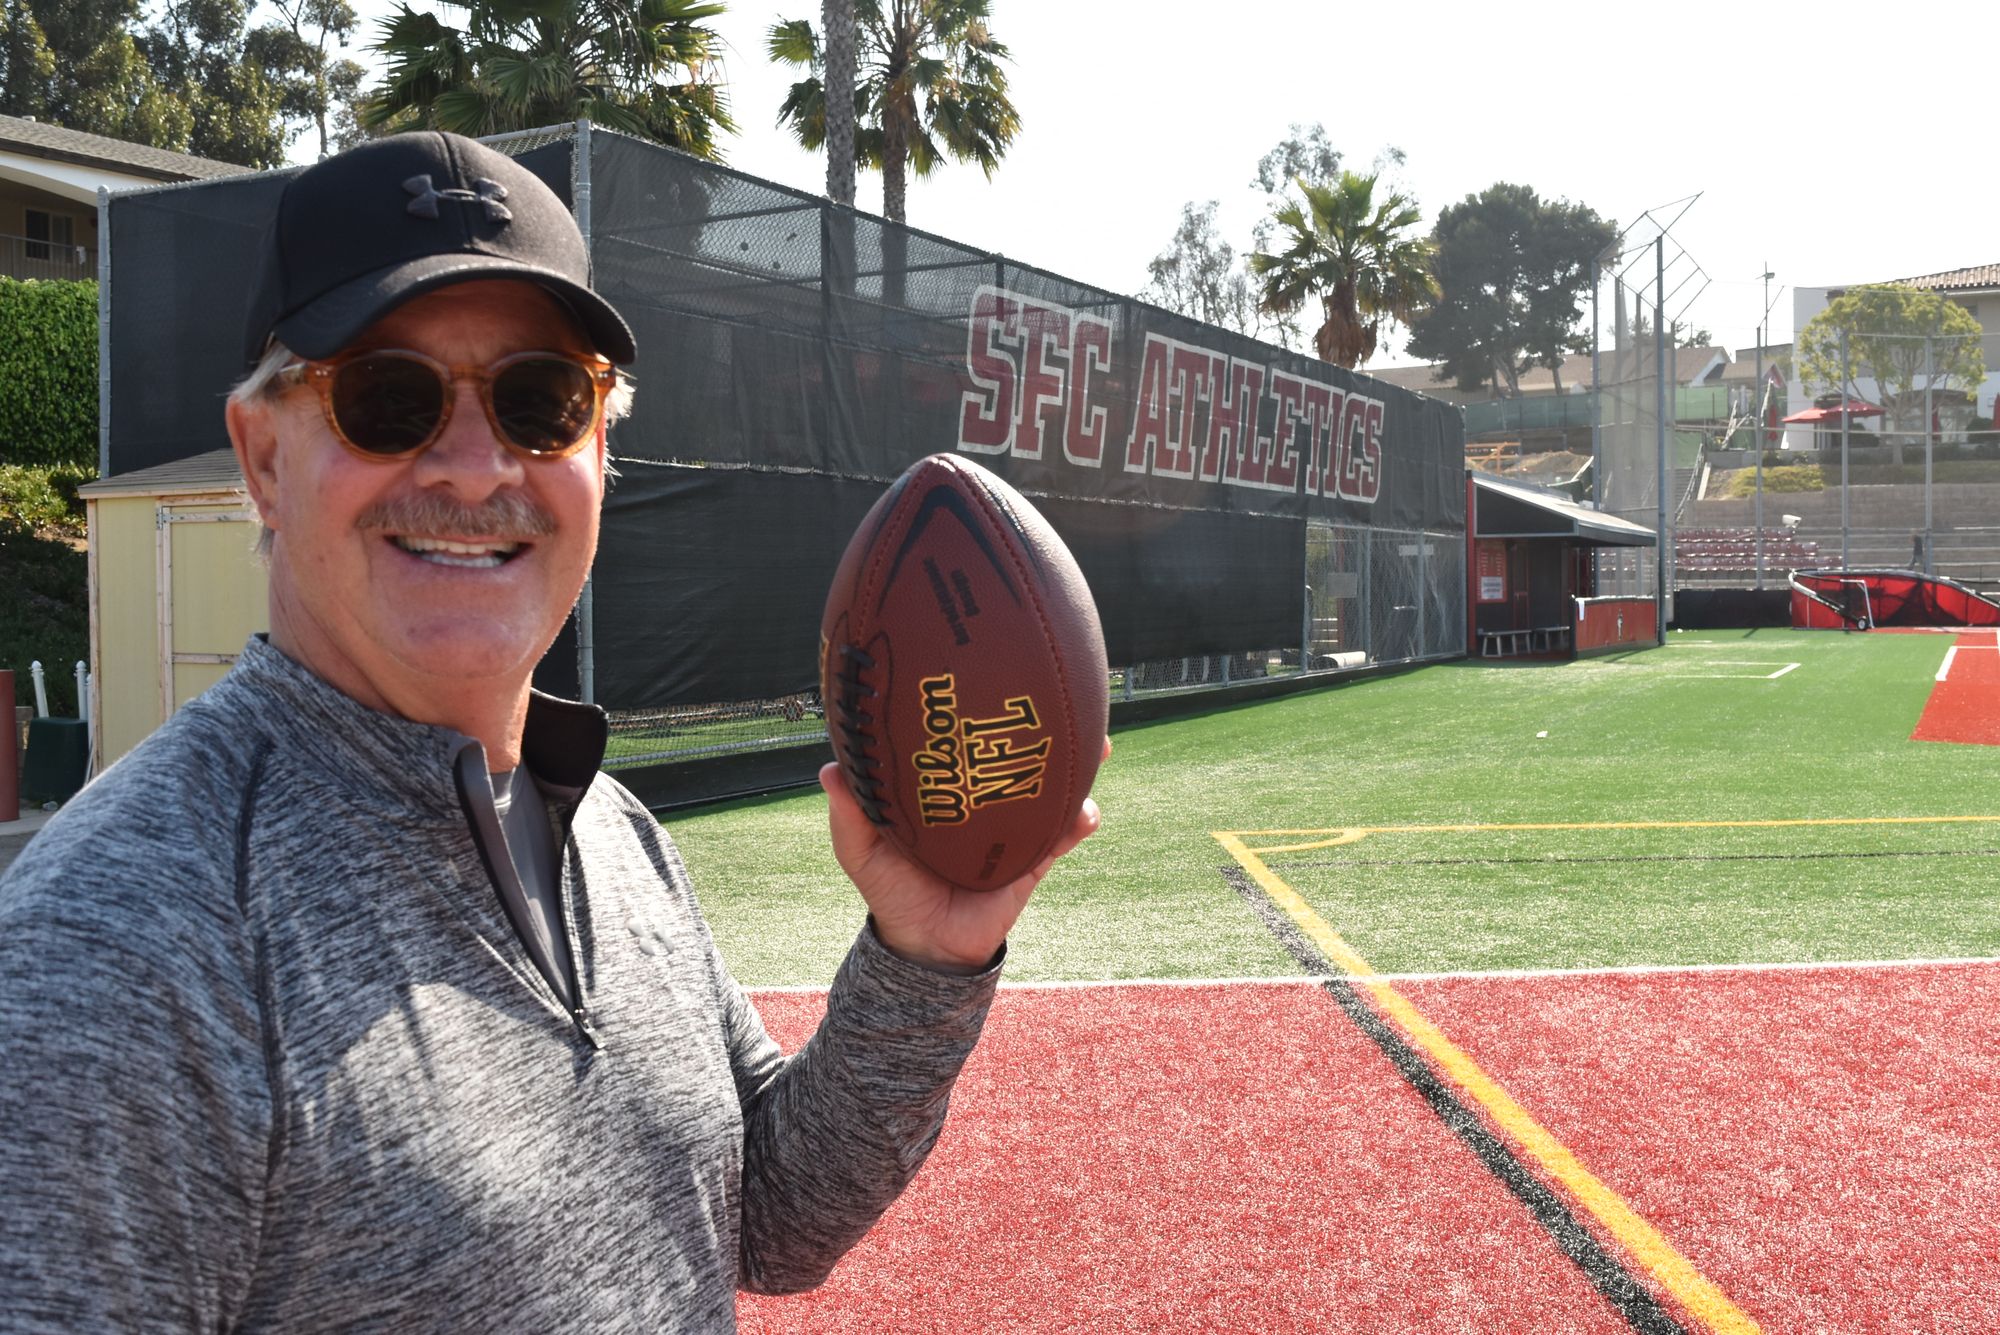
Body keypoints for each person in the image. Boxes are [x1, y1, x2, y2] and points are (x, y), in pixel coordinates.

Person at [0, 131, 1100, 1331]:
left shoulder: (607, 826)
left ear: (598, 449)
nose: (477, 468)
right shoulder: (119, 940)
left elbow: (766, 1220)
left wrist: (923, 958)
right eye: (385, 397)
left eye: (539, 399)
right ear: (263, 458)